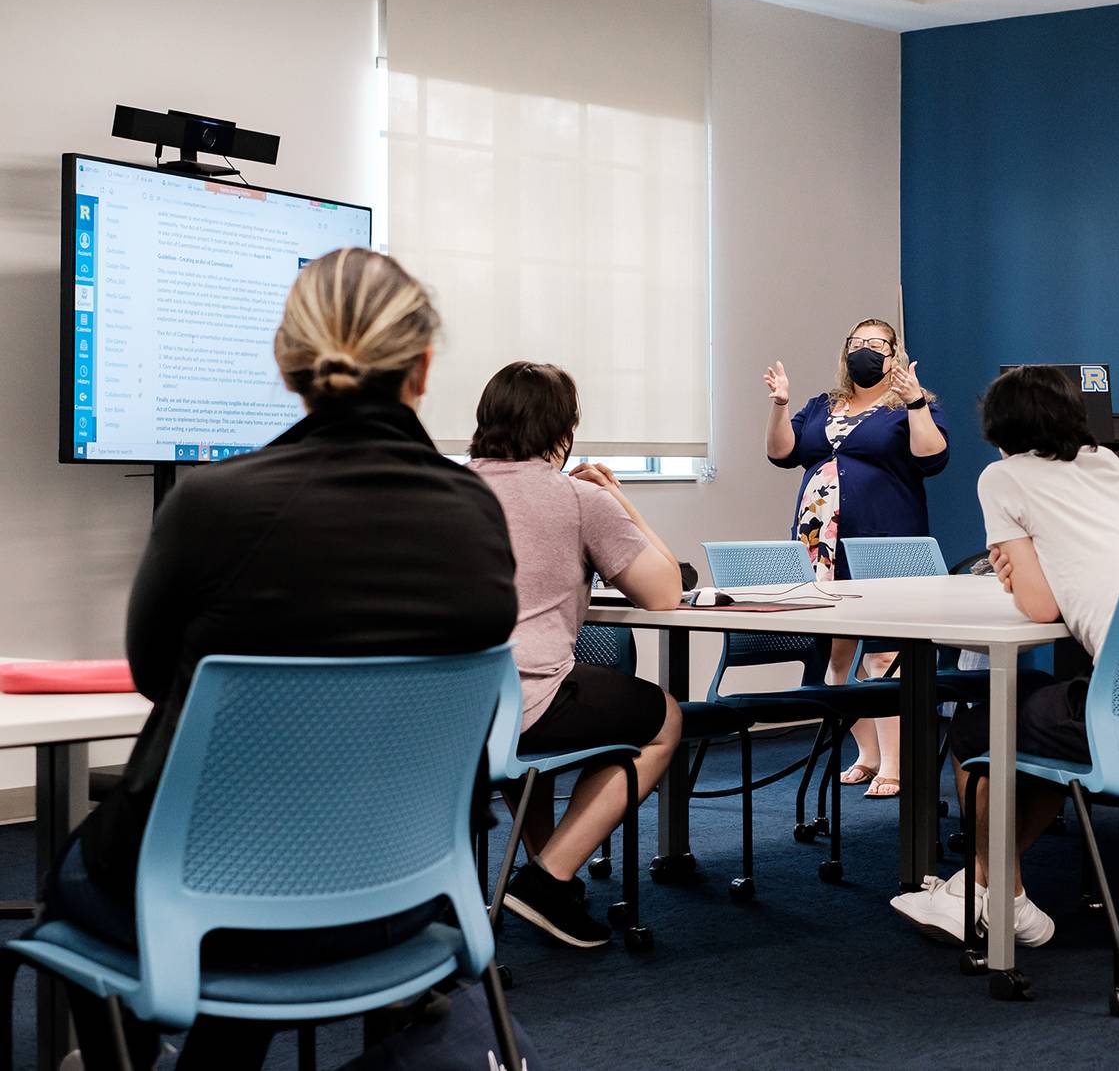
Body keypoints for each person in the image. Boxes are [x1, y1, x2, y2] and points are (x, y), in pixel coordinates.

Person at [43, 248, 519, 1070]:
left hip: (204, 900)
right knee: (264, 885)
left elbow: (159, 679)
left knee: (74, 877)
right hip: (405, 898)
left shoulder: (211, 503)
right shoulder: (475, 510)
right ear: (425, 366)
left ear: (285, 362)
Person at [890, 365, 1119, 947]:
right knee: (1029, 719)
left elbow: (1041, 607)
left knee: (979, 732)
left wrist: (1009, 569)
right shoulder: (1109, 466)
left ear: (999, 428)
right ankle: (988, 887)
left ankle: (1001, 901)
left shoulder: (1002, 477)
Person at [468, 362, 684, 948]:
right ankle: (548, 878)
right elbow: (665, 593)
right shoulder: (576, 496)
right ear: (562, 433)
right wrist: (620, 502)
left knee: (539, 723)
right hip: (529, 697)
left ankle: (546, 880)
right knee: (664, 718)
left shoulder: (449, 488)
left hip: (454, 704)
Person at [764, 319, 949, 799]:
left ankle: (896, 763)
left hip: (884, 541)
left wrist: (914, 402)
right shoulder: (822, 406)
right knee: (837, 655)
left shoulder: (910, 405)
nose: (863, 351)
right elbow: (782, 454)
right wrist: (781, 406)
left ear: (893, 355)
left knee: (886, 654)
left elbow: (933, 457)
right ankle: (867, 753)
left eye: (875, 344)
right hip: (820, 542)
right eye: (856, 343)